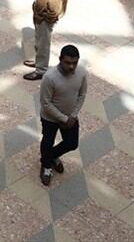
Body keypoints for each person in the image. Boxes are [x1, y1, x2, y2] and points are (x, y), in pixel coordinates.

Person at [38, 45, 86, 185]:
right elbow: (45, 103)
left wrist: (73, 115)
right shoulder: (50, 77)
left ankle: (50, 157)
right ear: (60, 59)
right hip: (50, 118)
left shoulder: (81, 73)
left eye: (74, 63)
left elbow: (82, 95)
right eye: (68, 63)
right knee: (48, 141)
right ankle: (46, 166)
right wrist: (63, 118)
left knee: (72, 143)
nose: (71, 66)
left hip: (70, 117)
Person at [24, 0, 69, 81]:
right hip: (40, 17)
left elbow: (55, 9)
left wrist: (43, 17)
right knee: (39, 41)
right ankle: (39, 63)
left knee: (43, 44)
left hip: (44, 20)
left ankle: (41, 70)